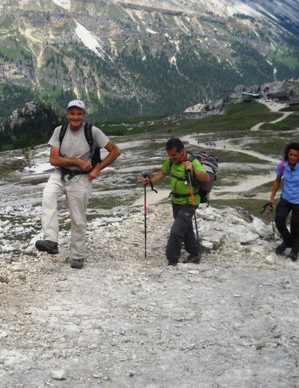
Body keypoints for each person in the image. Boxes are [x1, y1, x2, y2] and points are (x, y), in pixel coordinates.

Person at [36, 99, 121, 269]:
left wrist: (98, 169)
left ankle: (77, 255)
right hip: (60, 174)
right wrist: (77, 161)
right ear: (67, 115)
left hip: (81, 179)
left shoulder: (93, 131)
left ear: (83, 115)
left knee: (78, 218)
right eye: (72, 113)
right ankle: (51, 240)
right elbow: (53, 159)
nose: (75, 117)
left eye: (79, 113)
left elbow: (115, 151)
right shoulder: (59, 131)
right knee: (48, 195)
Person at [142, 138, 209, 266]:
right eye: (169, 155)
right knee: (186, 228)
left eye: (174, 155)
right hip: (176, 201)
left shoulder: (192, 162)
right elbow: (162, 172)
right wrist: (151, 181)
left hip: (190, 201)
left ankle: (172, 259)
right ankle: (195, 254)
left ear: (182, 151)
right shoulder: (171, 161)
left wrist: (193, 170)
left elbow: (205, 177)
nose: (171, 158)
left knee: (176, 231)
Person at [267, 142, 299, 261]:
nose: (292, 157)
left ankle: (295, 250)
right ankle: (288, 241)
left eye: (295, 155)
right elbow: (277, 181)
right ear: (287, 154)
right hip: (285, 198)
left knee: (295, 225)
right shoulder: (282, 165)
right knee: (279, 220)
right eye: (290, 154)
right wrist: (272, 199)